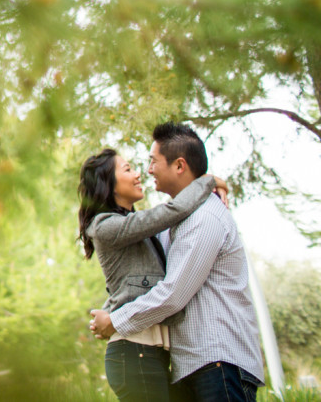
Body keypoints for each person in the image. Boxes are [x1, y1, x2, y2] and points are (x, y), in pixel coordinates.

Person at [90, 122, 265, 402]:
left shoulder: (204, 217)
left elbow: (173, 294)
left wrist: (116, 320)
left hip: (218, 361)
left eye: (152, 162)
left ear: (179, 165)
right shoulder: (172, 224)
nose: (146, 171)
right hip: (194, 365)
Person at [79, 146, 224, 401]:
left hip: (149, 353)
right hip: (134, 352)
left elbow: (126, 284)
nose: (138, 175)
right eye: (128, 169)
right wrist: (206, 181)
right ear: (109, 184)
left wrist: (110, 314)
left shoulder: (133, 230)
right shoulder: (105, 226)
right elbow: (169, 212)